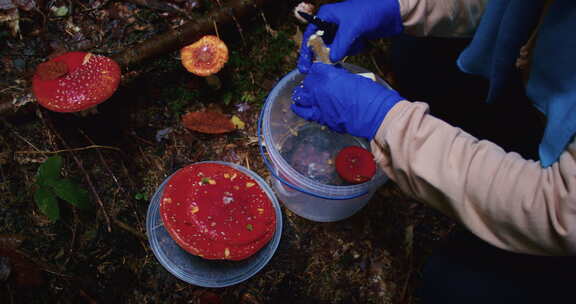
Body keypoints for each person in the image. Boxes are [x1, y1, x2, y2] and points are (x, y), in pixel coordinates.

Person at [292, 0, 576, 302]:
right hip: (539, 71)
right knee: (415, 53)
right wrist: (404, 9)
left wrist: (389, 122)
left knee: (455, 287)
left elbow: (556, 211)